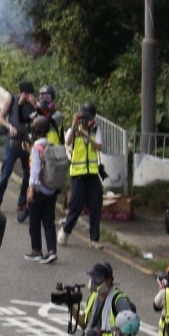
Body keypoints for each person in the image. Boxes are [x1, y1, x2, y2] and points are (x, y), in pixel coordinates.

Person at [60, 103, 105, 246]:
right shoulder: (73, 130)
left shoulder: (96, 130)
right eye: (83, 117)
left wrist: (87, 136)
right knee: (76, 206)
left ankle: (94, 239)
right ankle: (65, 231)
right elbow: (67, 142)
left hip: (92, 174)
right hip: (78, 174)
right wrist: (74, 126)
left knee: (96, 204)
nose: (86, 121)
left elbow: (99, 147)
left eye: (88, 118)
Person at [0, 80, 39, 212]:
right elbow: (0, 117)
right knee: (5, 173)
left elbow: (39, 119)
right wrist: (9, 126)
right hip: (13, 143)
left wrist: (34, 104)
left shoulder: (32, 105)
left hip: (27, 144)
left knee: (28, 174)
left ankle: (22, 201)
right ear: (20, 93)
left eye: (30, 94)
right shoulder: (12, 100)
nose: (27, 97)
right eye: (26, 94)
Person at [22, 115, 60, 263]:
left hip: (39, 191)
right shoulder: (50, 145)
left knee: (34, 222)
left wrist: (31, 190)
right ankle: (52, 250)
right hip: (51, 190)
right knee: (49, 222)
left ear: (35, 131)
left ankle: (36, 250)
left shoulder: (36, 149)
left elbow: (35, 170)